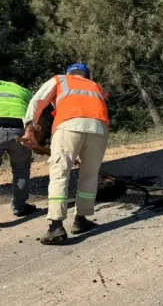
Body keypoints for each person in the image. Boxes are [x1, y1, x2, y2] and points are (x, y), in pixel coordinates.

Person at [20, 63, 110, 245]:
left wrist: (30, 129)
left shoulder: (60, 80)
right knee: (90, 175)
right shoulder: (95, 86)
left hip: (69, 125)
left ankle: (55, 227)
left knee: (60, 172)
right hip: (99, 129)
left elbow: (37, 101)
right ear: (87, 75)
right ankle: (81, 220)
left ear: (69, 73)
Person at [0, 74, 38, 217]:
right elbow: (36, 110)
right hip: (20, 131)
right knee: (21, 170)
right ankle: (20, 207)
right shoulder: (24, 91)